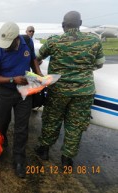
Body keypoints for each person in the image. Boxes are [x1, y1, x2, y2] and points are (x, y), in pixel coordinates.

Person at [34, 11, 105, 169]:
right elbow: (100, 63)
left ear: (63, 25)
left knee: (52, 120)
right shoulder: (94, 40)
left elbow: (36, 58)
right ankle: (67, 160)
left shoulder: (54, 41)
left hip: (58, 90)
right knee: (75, 125)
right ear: (80, 23)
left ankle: (44, 150)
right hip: (84, 92)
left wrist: (41, 76)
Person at [0, 22, 43, 178]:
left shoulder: (27, 42)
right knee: (2, 122)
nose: (5, 47)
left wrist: (39, 75)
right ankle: (0, 142)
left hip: (24, 93)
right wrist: (12, 80)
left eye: (8, 44)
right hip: (4, 92)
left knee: (22, 127)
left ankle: (19, 159)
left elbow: (33, 59)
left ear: (17, 38)